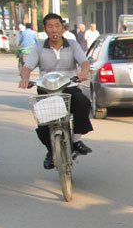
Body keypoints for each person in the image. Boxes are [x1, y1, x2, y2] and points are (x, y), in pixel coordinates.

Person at [18, 12, 95, 169]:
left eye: (57, 26)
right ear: (45, 29)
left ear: (62, 28)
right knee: (43, 124)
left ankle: (76, 140)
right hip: (46, 90)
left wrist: (83, 72)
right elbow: (27, 67)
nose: (54, 30)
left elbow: (85, 63)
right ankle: (50, 151)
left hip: (69, 87)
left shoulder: (72, 45)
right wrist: (25, 78)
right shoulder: (39, 47)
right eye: (50, 26)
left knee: (83, 103)